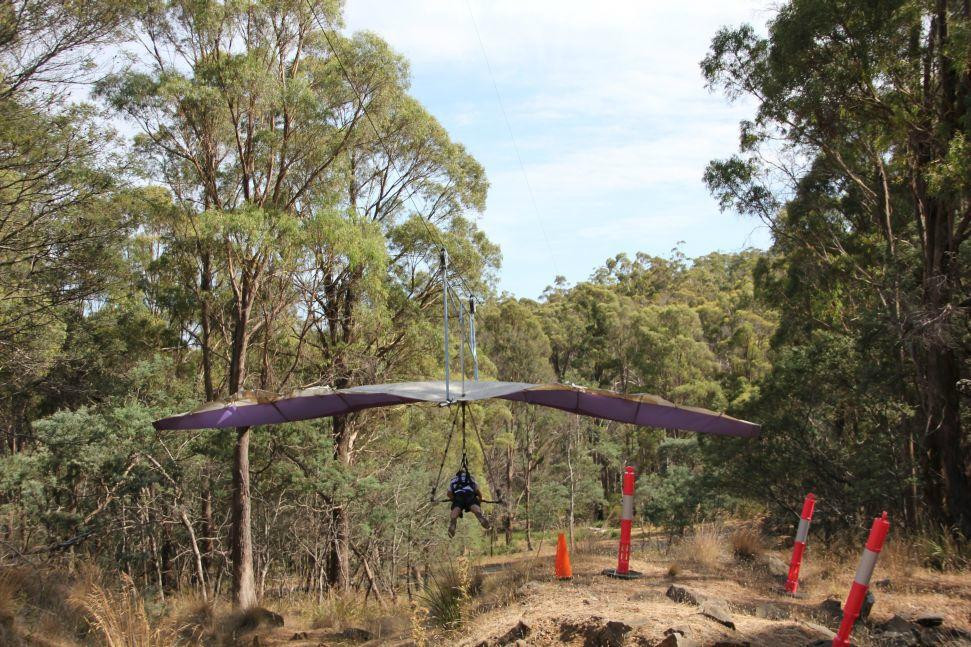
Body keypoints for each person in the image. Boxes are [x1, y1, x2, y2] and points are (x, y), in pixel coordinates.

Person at [447, 468, 491, 537]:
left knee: (456, 508)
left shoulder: (454, 480)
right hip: (469, 495)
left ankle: (453, 522)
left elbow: (449, 493)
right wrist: (480, 499)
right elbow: (477, 491)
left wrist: (453, 499)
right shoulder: (471, 478)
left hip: (458, 496)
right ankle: (480, 516)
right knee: (473, 505)